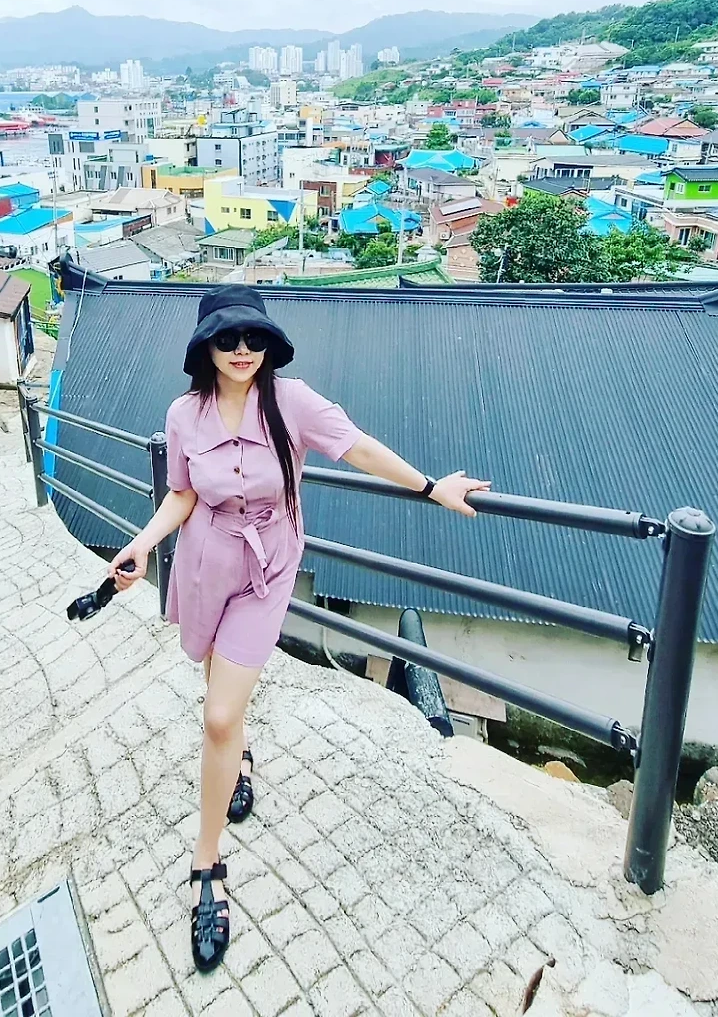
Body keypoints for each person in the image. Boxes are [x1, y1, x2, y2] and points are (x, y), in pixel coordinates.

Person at [108, 284, 490, 974]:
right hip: (204, 562)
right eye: (228, 339)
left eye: (253, 338)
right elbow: (183, 493)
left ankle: (206, 866)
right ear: (205, 347)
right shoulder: (184, 413)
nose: (243, 350)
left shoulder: (292, 402)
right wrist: (141, 545)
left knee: (217, 716)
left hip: (267, 568)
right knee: (219, 689)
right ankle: (239, 760)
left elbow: (358, 448)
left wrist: (432, 487)